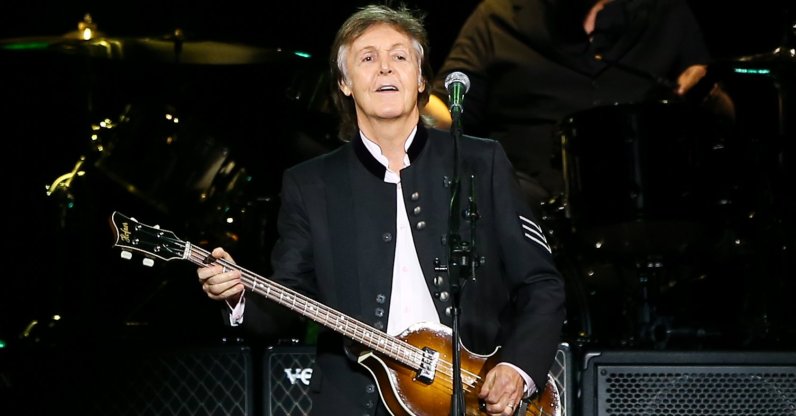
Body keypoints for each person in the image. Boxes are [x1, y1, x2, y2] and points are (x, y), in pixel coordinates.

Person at [197, 4, 566, 416]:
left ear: (422, 78)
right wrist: (239, 297)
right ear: (345, 82)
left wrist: (516, 368)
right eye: (368, 58)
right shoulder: (310, 184)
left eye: (400, 56)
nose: (386, 69)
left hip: (473, 399)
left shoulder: (482, 162)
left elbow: (540, 284)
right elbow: (289, 301)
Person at [423, 0, 735, 211]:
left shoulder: (667, 14)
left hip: (650, 206)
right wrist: (408, 100)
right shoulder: (497, 16)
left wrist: (708, 94)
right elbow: (449, 112)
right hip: (529, 209)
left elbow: (724, 115)